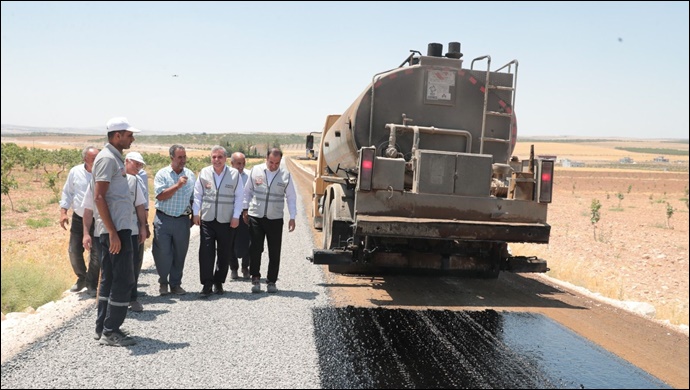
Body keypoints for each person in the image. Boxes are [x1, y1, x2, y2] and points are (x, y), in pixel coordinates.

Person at [92, 116, 140, 346]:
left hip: (118, 228)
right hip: (115, 231)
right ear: (117, 135)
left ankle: (103, 327)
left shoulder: (114, 157)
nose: (132, 138)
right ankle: (111, 331)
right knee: (123, 279)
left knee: (111, 278)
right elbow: (99, 196)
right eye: (129, 135)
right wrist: (112, 232)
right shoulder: (107, 159)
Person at [242, 148, 296, 294]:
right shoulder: (256, 170)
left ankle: (271, 281)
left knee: (274, 251)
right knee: (255, 249)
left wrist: (292, 217)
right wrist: (245, 209)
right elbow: (247, 191)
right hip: (256, 216)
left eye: (277, 163)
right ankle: (255, 278)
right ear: (266, 158)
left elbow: (291, 197)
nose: (273, 166)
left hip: (275, 218)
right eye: (271, 162)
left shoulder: (285, 175)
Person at [192, 146, 244, 296]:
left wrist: (236, 216)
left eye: (219, 157)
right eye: (214, 157)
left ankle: (219, 282)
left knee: (224, 252)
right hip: (208, 219)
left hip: (227, 220)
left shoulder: (234, 174)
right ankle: (206, 284)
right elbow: (198, 194)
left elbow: (239, 197)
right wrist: (196, 213)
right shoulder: (204, 173)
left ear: (225, 159)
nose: (216, 160)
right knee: (206, 252)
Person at [152, 144, 195, 296]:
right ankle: (163, 282)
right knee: (162, 253)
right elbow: (160, 195)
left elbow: (193, 199)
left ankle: (175, 284)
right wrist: (177, 185)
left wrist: (193, 216)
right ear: (172, 158)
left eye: (184, 157)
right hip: (164, 219)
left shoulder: (190, 175)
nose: (183, 160)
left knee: (180, 254)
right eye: (179, 157)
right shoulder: (162, 174)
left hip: (182, 221)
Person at [59, 146, 101, 297]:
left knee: (97, 254)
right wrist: (63, 211)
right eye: (93, 159)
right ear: (85, 160)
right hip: (79, 217)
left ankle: (92, 283)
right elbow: (68, 192)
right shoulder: (75, 172)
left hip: (98, 219)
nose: (97, 162)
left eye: (98, 158)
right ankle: (82, 278)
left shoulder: (103, 173)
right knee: (74, 250)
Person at [124, 152, 150, 311]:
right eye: (136, 164)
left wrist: (144, 226)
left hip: (135, 227)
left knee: (135, 264)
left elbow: (142, 205)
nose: (139, 167)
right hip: (117, 229)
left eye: (141, 165)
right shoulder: (113, 180)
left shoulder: (138, 180)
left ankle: (132, 297)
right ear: (126, 161)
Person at [229, 152, 251, 279]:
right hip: (230, 214)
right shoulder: (227, 176)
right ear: (231, 164)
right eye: (238, 164)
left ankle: (245, 267)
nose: (241, 166)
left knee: (248, 241)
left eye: (243, 163)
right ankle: (233, 268)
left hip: (246, 214)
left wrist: (247, 210)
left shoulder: (249, 175)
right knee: (229, 242)